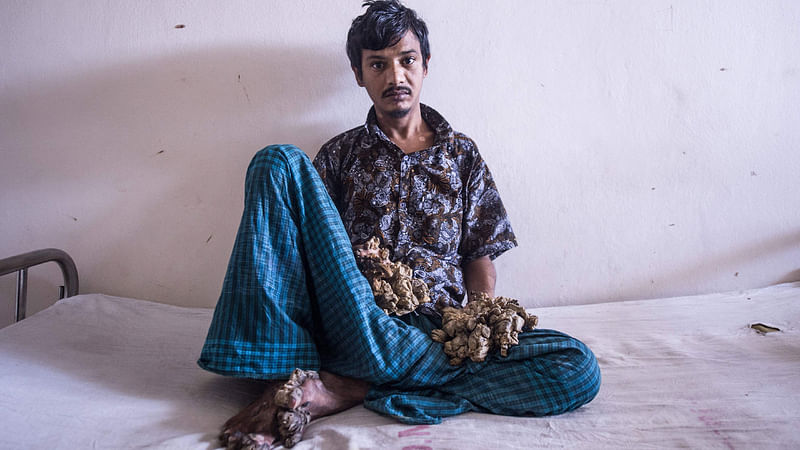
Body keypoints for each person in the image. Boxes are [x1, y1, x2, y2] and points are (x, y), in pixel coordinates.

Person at [198, 2, 600, 448]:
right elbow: (304, 253)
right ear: (358, 74)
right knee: (278, 161)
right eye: (378, 65)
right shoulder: (339, 155)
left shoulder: (462, 156)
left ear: (425, 65)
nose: (395, 78)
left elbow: (479, 253)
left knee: (576, 367)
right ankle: (308, 366)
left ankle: (348, 386)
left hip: (433, 334)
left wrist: (478, 327)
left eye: (407, 61)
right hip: (357, 317)